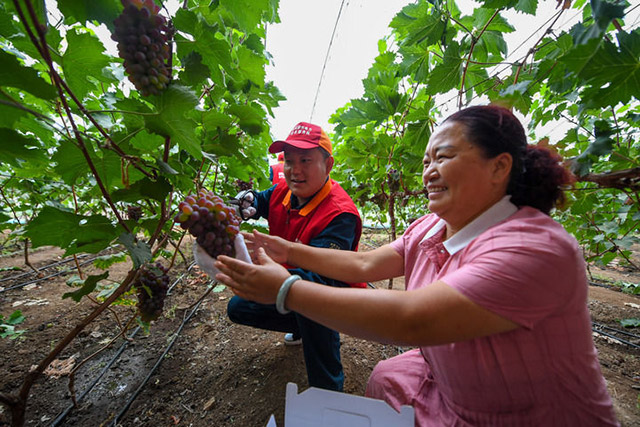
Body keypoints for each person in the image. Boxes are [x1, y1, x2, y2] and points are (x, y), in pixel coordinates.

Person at [214, 105, 619, 426]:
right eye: (426, 160)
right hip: (451, 388)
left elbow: (413, 321)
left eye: (443, 157)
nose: (428, 172)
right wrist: (287, 250)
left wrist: (286, 289)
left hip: (531, 416)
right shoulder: (432, 226)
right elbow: (368, 262)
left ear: (500, 167)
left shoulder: (535, 250)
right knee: (386, 376)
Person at [224, 121, 366, 392]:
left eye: (305, 160)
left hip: (332, 298)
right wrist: (249, 201)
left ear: (328, 165)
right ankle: (301, 324)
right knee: (238, 307)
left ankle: (328, 392)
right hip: (290, 280)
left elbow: (322, 282)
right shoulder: (284, 192)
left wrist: (264, 279)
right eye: (289, 161)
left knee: (314, 311)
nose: (295, 170)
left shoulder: (340, 215)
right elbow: (263, 199)